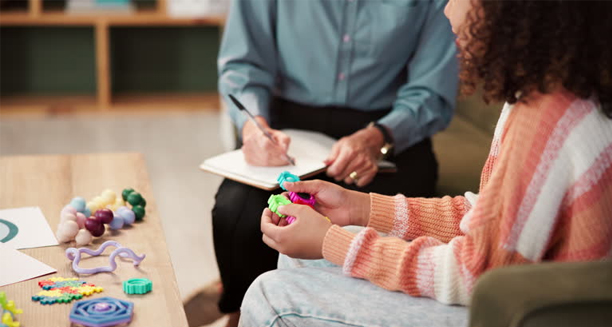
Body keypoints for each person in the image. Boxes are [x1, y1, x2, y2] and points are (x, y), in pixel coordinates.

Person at [240, 0, 612, 325]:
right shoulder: (550, 94)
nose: (447, 11)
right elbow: (482, 217)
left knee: (271, 297)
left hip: (522, 311)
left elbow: (473, 272)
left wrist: (331, 242)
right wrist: (359, 207)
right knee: (302, 260)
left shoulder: (546, 116)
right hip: (515, 292)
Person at [184, 1, 460, 326]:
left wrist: (379, 137)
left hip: (389, 127)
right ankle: (240, 309)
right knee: (237, 212)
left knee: (400, 209)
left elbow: (432, 89)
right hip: (284, 123)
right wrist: (253, 127)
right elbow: (243, 65)